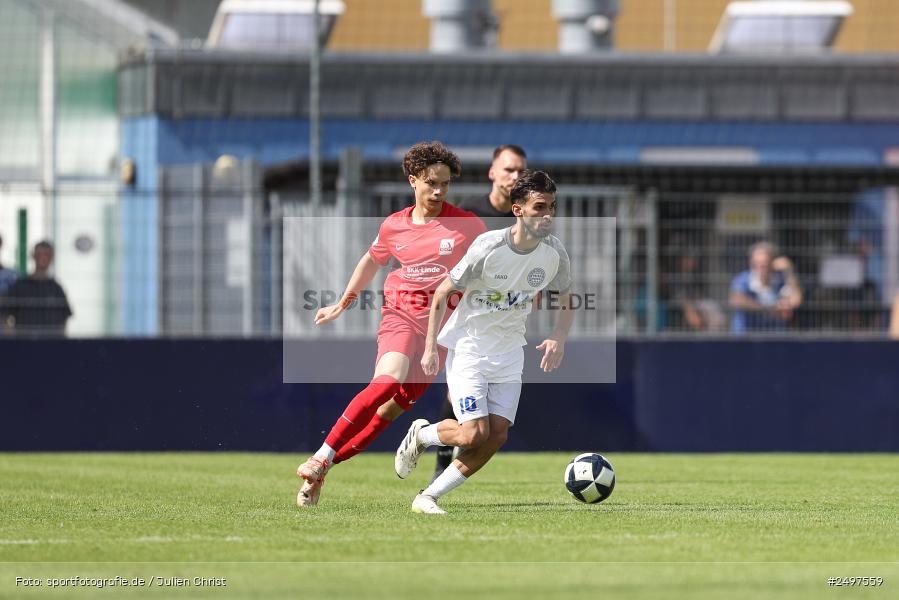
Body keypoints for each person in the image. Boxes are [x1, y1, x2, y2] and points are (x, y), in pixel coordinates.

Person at [295, 141, 486, 507]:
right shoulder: (394, 225)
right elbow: (371, 260)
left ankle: (324, 470)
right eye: (431, 183)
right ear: (413, 180)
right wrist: (342, 302)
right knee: (387, 382)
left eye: (445, 184)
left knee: (388, 413)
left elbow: (491, 263)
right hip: (400, 317)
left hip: (440, 332)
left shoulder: (466, 225)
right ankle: (321, 454)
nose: (439, 191)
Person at [394, 170, 574, 515]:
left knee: (497, 436)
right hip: (470, 348)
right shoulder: (488, 247)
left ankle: (427, 496)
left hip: (509, 352)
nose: (547, 215)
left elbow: (566, 295)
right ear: (518, 210)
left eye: (552, 207)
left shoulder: (554, 252)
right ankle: (423, 436)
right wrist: (431, 345)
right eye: (540, 207)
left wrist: (558, 336)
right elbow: (445, 290)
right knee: (473, 433)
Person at [430, 144, 527, 482]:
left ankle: (447, 462)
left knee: (488, 418)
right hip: (463, 315)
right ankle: (442, 463)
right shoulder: (470, 216)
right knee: (455, 395)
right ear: (492, 172)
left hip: (502, 320)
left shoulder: (523, 219)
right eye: (508, 169)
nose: (514, 176)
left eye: (520, 171)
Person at [0, 240, 72, 336]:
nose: (43, 258)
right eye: (39, 254)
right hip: (24, 345)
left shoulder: (56, 289)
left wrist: (61, 341)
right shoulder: (20, 286)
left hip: (51, 344)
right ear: (33, 256)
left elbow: (64, 319)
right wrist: (13, 337)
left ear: (52, 258)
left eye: (46, 255)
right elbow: (3, 315)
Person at [729, 241, 802, 334]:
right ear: (751, 263)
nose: (760, 268)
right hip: (746, 337)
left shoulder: (780, 279)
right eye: (756, 264)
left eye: (765, 264)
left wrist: (789, 271)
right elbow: (737, 300)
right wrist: (769, 309)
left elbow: (796, 300)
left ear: (772, 263)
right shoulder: (743, 279)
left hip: (775, 337)